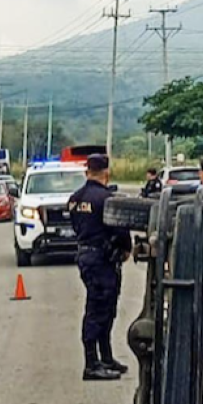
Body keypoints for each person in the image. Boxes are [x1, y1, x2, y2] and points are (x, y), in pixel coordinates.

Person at [69, 154, 132, 381]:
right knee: (98, 310)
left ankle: (106, 357)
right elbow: (120, 229)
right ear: (107, 173)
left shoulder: (75, 199)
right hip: (103, 259)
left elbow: (76, 226)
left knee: (105, 308)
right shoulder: (106, 199)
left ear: (87, 172)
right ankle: (91, 364)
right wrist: (126, 249)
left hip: (87, 255)